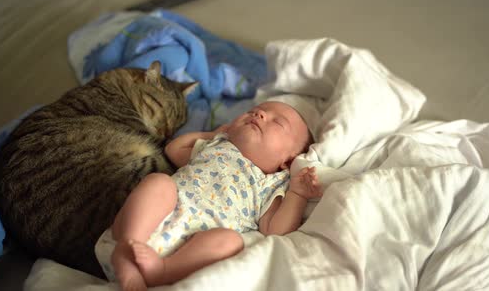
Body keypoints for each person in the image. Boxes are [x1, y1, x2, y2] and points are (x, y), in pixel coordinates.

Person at [95, 101, 323, 291]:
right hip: (155, 220)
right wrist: (212, 134)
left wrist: (297, 194)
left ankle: (162, 271)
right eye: (254, 110)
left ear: (288, 162)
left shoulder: (271, 184)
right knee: (159, 183)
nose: (260, 113)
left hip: (192, 248)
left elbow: (275, 230)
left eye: (278, 122)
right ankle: (127, 246)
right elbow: (174, 149)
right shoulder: (217, 146)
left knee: (231, 241)